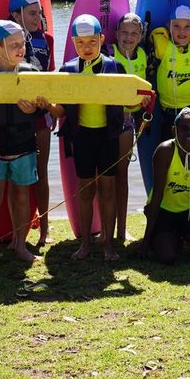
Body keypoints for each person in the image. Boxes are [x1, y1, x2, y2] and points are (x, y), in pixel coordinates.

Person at [0, 21, 61, 266]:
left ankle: (20, 245)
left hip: (24, 146)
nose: (21, 49)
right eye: (14, 45)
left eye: (23, 44)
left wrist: (37, 107)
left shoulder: (31, 72)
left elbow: (47, 110)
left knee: (21, 196)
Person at [58, 14, 126, 261]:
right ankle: (85, 244)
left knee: (107, 191)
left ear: (101, 39)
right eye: (80, 43)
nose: (86, 48)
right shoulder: (67, 70)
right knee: (85, 191)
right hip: (83, 138)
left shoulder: (114, 67)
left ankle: (108, 244)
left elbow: (128, 101)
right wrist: (43, 104)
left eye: (91, 42)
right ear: (74, 43)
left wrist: (142, 101)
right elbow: (61, 110)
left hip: (107, 137)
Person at [141, 108, 190, 264]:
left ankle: (186, 235)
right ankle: (167, 235)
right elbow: (157, 195)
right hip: (165, 211)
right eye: (183, 128)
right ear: (173, 130)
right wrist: (145, 242)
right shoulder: (164, 151)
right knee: (167, 257)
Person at [8, 0, 54, 247]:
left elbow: (51, 75)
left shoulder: (46, 39)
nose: (38, 17)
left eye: (40, 12)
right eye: (32, 13)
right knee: (17, 176)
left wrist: (50, 109)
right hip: (14, 118)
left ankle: (45, 229)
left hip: (40, 116)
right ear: (16, 15)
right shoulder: (6, 40)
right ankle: (18, 234)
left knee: (42, 173)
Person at [148, 4, 190, 143]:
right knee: (169, 153)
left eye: (187, 27)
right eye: (176, 26)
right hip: (169, 113)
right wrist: (147, 111)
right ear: (169, 27)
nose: (182, 31)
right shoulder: (160, 49)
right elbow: (149, 77)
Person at [112, 13, 148, 244]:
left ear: (141, 36)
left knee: (122, 175)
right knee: (109, 176)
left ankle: (122, 229)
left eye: (134, 33)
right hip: (111, 120)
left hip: (132, 120)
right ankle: (106, 227)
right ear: (116, 34)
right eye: (124, 32)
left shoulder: (143, 55)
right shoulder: (109, 54)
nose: (128, 37)